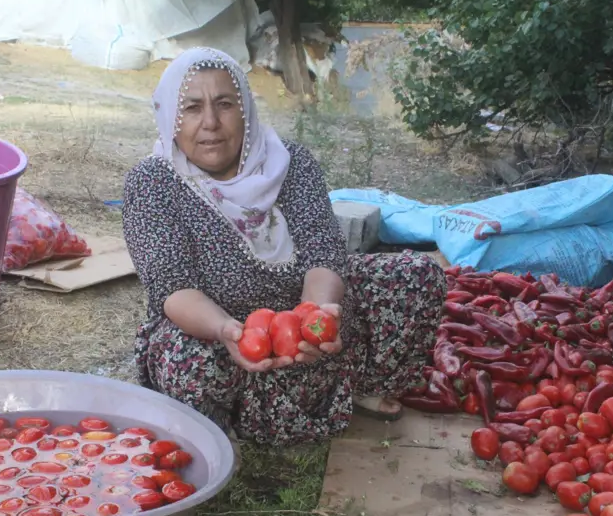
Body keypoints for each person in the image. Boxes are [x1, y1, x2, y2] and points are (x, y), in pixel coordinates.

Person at [122, 47, 446, 447]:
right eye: (191, 108)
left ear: (245, 110)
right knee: (189, 359)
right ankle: (217, 433)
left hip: (300, 312)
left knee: (415, 275)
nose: (210, 122)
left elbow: (323, 250)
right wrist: (227, 329)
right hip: (218, 327)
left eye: (225, 104)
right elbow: (172, 286)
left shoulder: (290, 162)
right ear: (170, 116)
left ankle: (363, 385)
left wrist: (313, 315)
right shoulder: (153, 182)